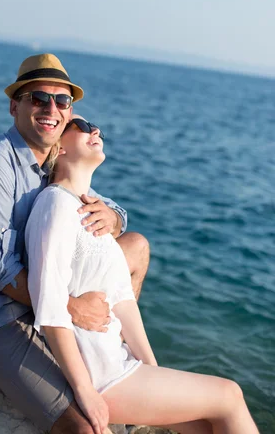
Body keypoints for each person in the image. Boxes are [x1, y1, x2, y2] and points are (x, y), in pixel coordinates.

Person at [0, 53, 150, 434]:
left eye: (62, 100)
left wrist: (114, 216)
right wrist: (72, 309)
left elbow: (93, 200)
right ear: (15, 106)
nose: (51, 108)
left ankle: (116, 360)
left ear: (68, 112)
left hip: (35, 303)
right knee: (85, 427)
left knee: (134, 246)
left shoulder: (52, 159)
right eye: (38, 98)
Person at [25, 116, 259, 434]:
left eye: (97, 128)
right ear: (60, 148)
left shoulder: (91, 210)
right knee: (229, 395)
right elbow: (50, 304)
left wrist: (151, 369)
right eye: (82, 127)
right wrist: (84, 391)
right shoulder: (53, 204)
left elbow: (122, 299)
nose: (95, 131)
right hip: (99, 373)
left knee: (210, 424)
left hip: (120, 363)